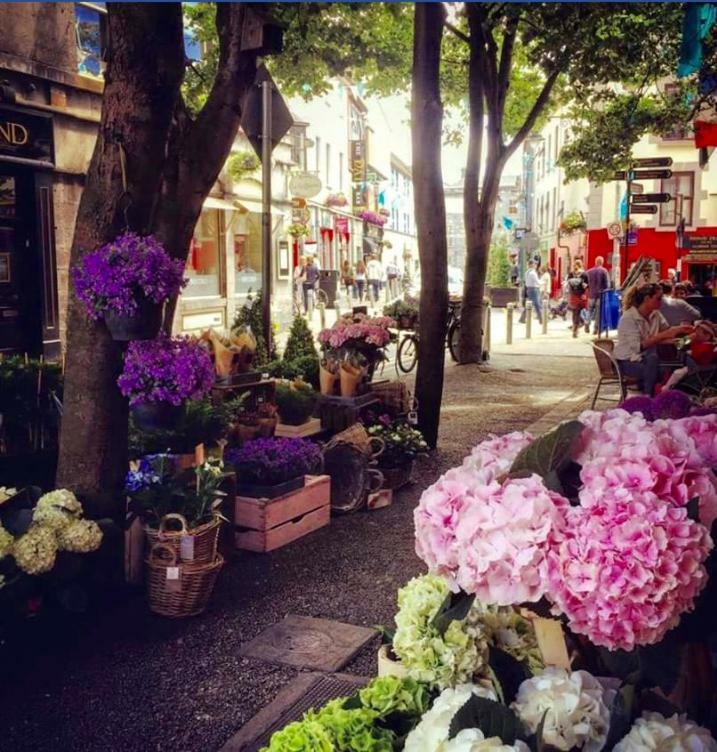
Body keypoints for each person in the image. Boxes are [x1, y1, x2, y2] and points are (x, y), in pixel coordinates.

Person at [614, 283, 693, 396]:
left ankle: (652, 396)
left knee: (665, 365)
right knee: (655, 364)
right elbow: (638, 347)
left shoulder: (655, 314)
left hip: (647, 359)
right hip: (627, 361)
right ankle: (649, 397)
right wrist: (663, 335)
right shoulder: (629, 318)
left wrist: (684, 332)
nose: (661, 301)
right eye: (658, 298)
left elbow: (668, 333)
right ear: (647, 298)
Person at [585, 256, 610, 334]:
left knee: (589, 310)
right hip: (600, 295)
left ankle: (587, 322)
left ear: (595, 262)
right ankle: (596, 329)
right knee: (598, 313)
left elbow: (585, 284)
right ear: (602, 262)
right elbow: (607, 285)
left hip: (591, 295)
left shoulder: (588, 272)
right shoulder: (604, 271)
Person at [565, 261, 588, 338]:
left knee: (575, 312)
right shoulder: (584, 274)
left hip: (573, 295)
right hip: (581, 295)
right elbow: (587, 285)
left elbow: (567, 284)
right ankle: (583, 323)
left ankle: (575, 329)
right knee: (582, 311)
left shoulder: (571, 274)